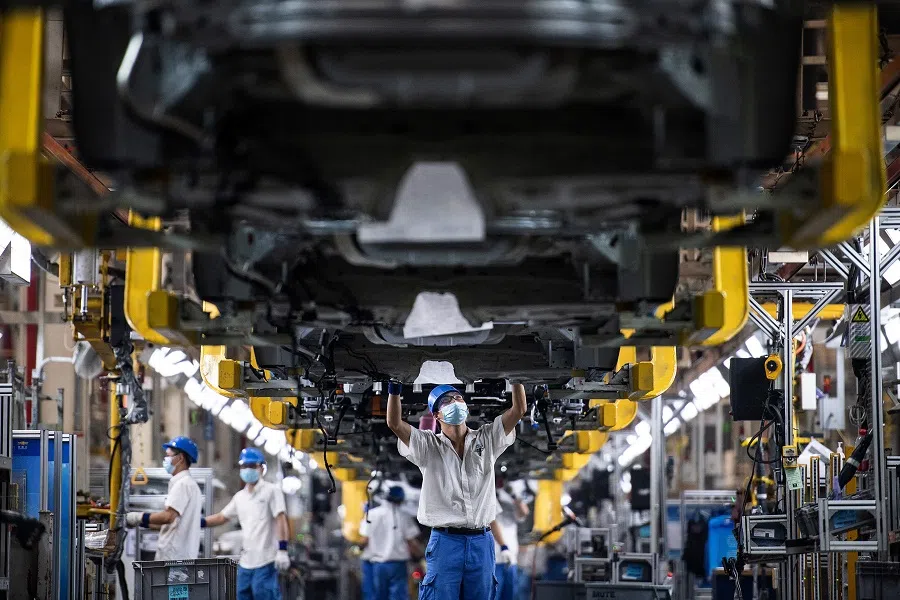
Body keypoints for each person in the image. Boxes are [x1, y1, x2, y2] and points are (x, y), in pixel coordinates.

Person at [386, 380, 528, 600]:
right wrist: (394, 389)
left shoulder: (487, 439)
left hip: (482, 541)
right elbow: (394, 423)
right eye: (446, 401)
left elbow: (519, 410)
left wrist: (517, 379)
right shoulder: (427, 446)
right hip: (445, 542)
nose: (455, 402)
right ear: (436, 416)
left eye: (458, 398)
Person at [202, 447, 291, 600]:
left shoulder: (271, 491)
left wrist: (283, 549)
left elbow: (281, 519)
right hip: (246, 563)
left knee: (263, 594)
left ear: (261, 468)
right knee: (242, 596)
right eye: (244, 466)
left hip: (266, 560)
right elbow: (222, 517)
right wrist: (198, 522)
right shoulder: (240, 497)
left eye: (252, 466)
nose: (247, 470)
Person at [126, 436, 203, 560]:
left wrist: (137, 516)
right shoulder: (187, 484)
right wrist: (142, 522)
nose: (165, 459)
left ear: (180, 458)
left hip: (174, 559)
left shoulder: (183, 484)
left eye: (168, 455)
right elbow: (172, 525)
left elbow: (168, 517)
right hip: (179, 557)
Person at [359, 485, 422, 600]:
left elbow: (364, 540)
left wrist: (359, 548)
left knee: (377, 595)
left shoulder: (372, 515)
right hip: (398, 565)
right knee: (398, 596)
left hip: (378, 565)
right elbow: (411, 543)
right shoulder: (404, 516)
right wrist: (420, 558)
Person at [490, 483, 530, 600]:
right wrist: (504, 547)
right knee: (494, 595)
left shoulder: (510, 498)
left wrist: (514, 495)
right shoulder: (490, 498)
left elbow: (524, 512)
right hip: (495, 559)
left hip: (511, 559)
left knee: (510, 595)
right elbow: (492, 523)